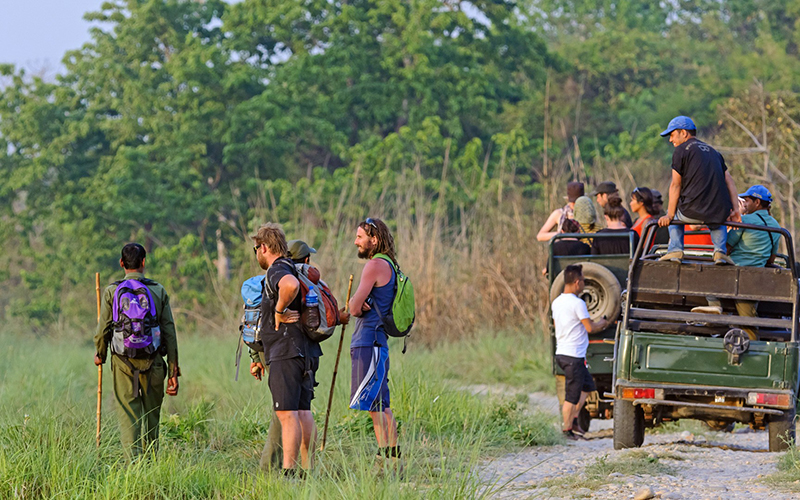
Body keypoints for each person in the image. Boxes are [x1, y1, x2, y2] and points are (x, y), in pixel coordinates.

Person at [94, 243, 180, 459]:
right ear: (143, 262)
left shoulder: (112, 291)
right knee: (152, 417)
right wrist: (173, 370)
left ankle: (133, 467)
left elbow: (102, 329)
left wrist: (100, 354)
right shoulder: (158, 290)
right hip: (154, 362)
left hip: (123, 364)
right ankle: (151, 466)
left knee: (128, 417)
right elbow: (169, 331)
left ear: (122, 263)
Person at [249, 224, 315, 476]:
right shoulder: (294, 267)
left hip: (285, 351)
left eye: (256, 248)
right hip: (303, 350)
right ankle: (307, 471)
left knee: (287, 415)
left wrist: (278, 312)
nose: (257, 253)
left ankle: (289, 472)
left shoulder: (278, 269)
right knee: (302, 411)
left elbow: (289, 286)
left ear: (264, 247)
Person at [691, 185, 781, 340]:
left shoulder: (745, 221)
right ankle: (752, 349)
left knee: (707, 276)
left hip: (734, 272)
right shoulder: (776, 226)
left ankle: (716, 309)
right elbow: (771, 259)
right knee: (748, 322)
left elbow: (726, 247)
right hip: (755, 278)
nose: (744, 204)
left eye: (746, 201)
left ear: (757, 202)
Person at [349, 217, 401, 466]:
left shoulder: (374, 266)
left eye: (360, 237)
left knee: (375, 406)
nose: (356, 241)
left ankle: (387, 460)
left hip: (368, 341)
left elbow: (354, 306)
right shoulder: (391, 264)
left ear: (374, 240)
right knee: (380, 404)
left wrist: (357, 306)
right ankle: (391, 460)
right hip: (379, 341)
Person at [657, 116, 741, 264]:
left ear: (683, 133)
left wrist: (669, 215)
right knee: (718, 218)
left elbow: (675, 185)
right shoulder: (715, 152)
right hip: (717, 214)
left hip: (690, 213)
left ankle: (675, 250)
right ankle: (720, 252)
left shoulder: (681, 150)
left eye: (672, 135)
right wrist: (735, 210)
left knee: (675, 216)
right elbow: (730, 182)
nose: (670, 140)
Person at [552, 265, 609, 439]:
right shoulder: (578, 303)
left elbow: (556, 325)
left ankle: (574, 420)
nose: (584, 284)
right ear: (577, 282)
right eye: (583, 280)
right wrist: (603, 322)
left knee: (587, 386)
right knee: (571, 396)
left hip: (563, 352)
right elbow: (590, 327)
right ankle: (566, 430)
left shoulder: (556, 302)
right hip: (573, 356)